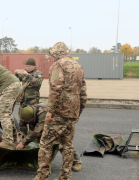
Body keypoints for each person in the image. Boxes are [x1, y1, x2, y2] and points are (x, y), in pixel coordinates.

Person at [34, 42, 87, 180]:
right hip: (72, 114)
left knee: (45, 144)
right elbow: (83, 93)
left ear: (57, 53)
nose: (52, 58)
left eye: (53, 55)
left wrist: (50, 111)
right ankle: (65, 177)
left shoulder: (58, 65)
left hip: (59, 113)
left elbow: (55, 88)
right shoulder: (78, 67)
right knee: (67, 145)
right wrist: (78, 112)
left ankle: (41, 177)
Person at [16, 105, 82, 172]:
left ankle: (76, 161)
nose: (29, 122)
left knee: (64, 142)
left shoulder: (43, 114)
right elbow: (28, 128)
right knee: (39, 140)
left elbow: (37, 131)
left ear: (34, 116)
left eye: (30, 120)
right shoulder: (26, 112)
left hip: (61, 123)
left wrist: (23, 142)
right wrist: (25, 141)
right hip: (48, 125)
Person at [14, 57, 44, 135]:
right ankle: (23, 138)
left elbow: (37, 84)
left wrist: (28, 75)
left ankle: (31, 140)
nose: (27, 68)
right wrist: (16, 74)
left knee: (32, 123)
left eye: (29, 66)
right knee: (22, 122)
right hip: (23, 101)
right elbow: (16, 80)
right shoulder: (24, 73)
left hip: (32, 102)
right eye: (27, 66)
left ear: (34, 66)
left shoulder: (39, 74)